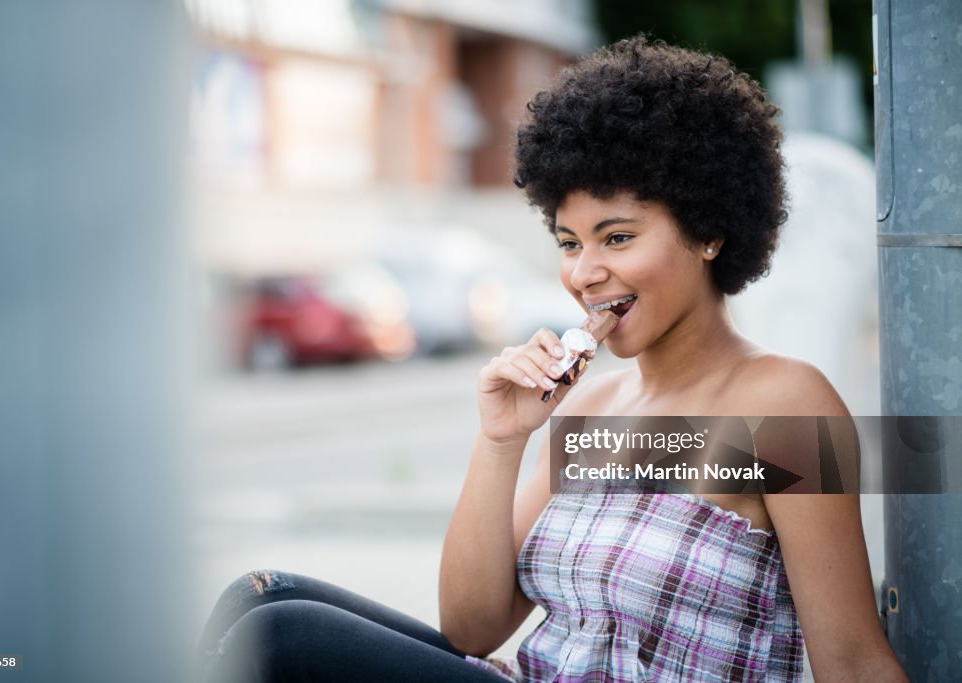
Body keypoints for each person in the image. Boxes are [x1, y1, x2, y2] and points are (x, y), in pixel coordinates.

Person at [197, 37, 908, 682]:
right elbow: (472, 627)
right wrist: (503, 438)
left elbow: (850, 656)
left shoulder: (783, 402)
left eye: (618, 237)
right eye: (570, 243)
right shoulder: (596, 410)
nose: (585, 272)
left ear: (711, 231)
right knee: (261, 596)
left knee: (281, 635)